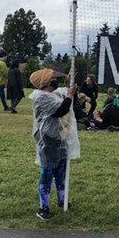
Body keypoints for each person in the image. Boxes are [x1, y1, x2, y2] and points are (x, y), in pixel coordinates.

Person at [29, 68, 76, 220]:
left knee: (60, 172)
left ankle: (62, 200)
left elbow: (67, 95)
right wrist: (69, 95)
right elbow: (61, 110)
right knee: (47, 173)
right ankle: (43, 208)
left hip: (60, 138)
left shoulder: (53, 94)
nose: (55, 81)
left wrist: (69, 82)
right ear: (46, 82)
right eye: (52, 79)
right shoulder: (41, 97)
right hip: (48, 140)